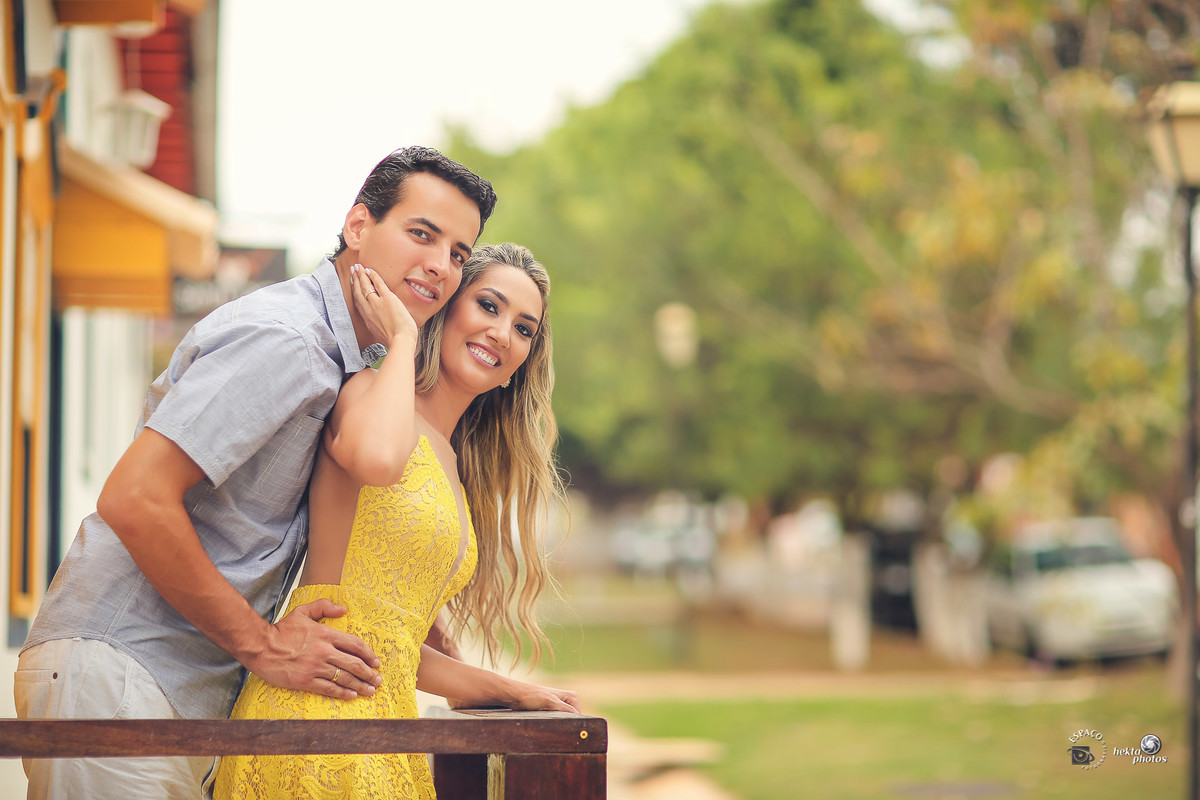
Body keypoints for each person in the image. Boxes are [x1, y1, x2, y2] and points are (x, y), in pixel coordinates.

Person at [15, 146, 497, 800]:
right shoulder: (288, 339)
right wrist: (265, 646)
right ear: (358, 226)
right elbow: (135, 498)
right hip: (123, 672)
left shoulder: (350, 361)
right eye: (422, 234)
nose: (441, 265)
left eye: (459, 252)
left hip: (178, 689)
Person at [212, 243, 579, 798]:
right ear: (446, 310)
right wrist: (404, 336)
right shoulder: (368, 396)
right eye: (488, 306)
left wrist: (505, 688)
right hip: (316, 721)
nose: (503, 333)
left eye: (524, 329)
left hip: (382, 727)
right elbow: (356, 629)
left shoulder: (454, 465)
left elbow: (393, 648)